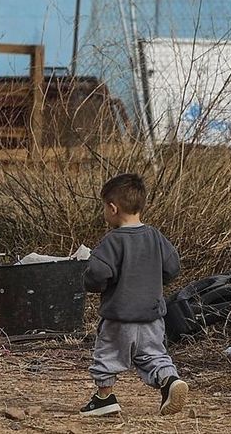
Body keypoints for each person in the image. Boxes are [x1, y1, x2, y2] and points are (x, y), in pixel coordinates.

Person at [80, 173, 187, 418]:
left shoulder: (112, 241)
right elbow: (173, 268)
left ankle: (104, 398)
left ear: (113, 208)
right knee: (154, 355)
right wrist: (155, 283)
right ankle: (170, 381)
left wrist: (92, 284)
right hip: (151, 317)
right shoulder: (155, 237)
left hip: (119, 317)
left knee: (108, 355)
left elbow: (96, 274)